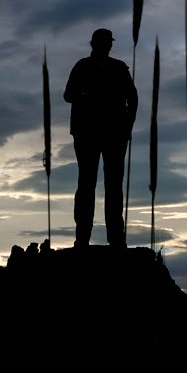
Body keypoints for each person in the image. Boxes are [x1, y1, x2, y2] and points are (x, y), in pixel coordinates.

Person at [63, 27, 138, 248]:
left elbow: (133, 98)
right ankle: (83, 238)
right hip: (86, 134)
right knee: (87, 184)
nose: (107, 45)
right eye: (103, 42)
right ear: (94, 43)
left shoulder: (119, 68)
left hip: (115, 135)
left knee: (113, 186)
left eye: (109, 42)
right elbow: (68, 95)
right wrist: (85, 94)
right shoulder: (81, 66)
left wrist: (127, 126)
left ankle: (116, 239)